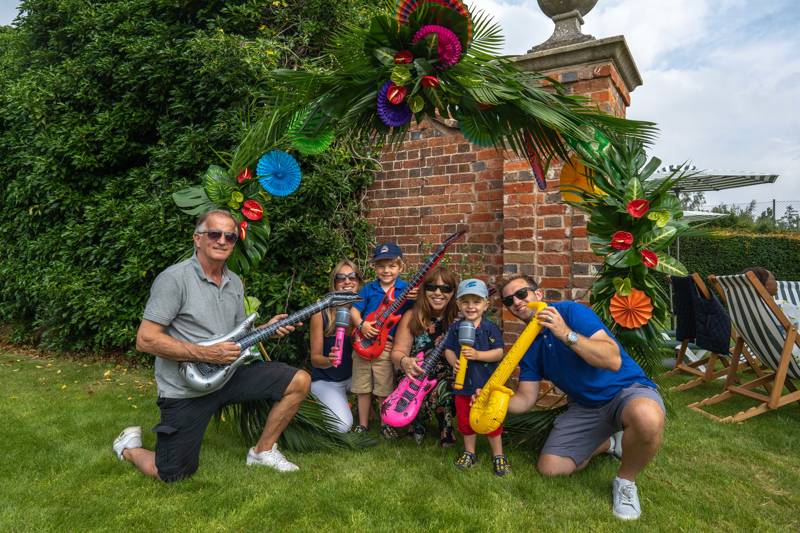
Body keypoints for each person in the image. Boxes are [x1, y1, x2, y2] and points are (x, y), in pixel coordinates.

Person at [112, 210, 311, 482]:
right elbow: (145, 339)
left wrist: (268, 330)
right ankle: (128, 448)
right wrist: (207, 354)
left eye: (230, 236)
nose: (222, 241)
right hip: (185, 388)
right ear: (197, 239)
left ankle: (262, 451)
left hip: (228, 375)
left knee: (299, 381)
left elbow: (239, 336)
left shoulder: (235, 282)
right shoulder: (174, 279)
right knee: (172, 473)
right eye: (214, 234)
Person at [496, 274, 665, 520]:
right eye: (509, 300)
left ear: (538, 295)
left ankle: (625, 481)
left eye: (522, 294)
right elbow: (526, 399)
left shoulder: (571, 312)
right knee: (551, 469)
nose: (517, 302)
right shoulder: (528, 345)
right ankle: (612, 443)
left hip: (626, 391)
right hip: (585, 407)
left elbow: (612, 359)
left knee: (647, 417)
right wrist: (495, 401)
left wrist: (565, 333)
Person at [351, 242, 417, 438]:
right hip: (362, 344)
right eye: (381, 266)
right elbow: (354, 310)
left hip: (385, 346)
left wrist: (419, 296)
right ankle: (362, 424)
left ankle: (384, 423)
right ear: (374, 267)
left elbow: (418, 311)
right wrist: (361, 324)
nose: (386, 270)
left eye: (391, 266)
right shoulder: (368, 289)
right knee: (362, 388)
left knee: (383, 389)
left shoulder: (406, 289)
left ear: (400, 267)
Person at [444, 279, 509, 476]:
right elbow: (448, 349)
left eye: (476, 301)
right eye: (465, 302)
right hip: (463, 385)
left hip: (486, 385)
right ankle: (469, 452)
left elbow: (499, 353)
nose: (471, 306)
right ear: (458, 304)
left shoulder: (490, 329)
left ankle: (498, 455)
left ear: (486, 304)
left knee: (491, 421)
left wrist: (479, 355)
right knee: (465, 421)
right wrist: (453, 361)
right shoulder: (456, 329)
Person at [390, 266, 459, 446]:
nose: (438, 293)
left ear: (453, 292)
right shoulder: (412, 315)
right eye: (432, 288)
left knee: (448, 384)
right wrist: (405, 361)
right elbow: (397, 352)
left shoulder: (458, 318)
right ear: (424, 290)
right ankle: (416, 423)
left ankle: (447, 426)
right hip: (415, 372)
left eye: (445, 289)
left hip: (446, 373)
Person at [309, 259, 361, 433]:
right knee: (342, 426)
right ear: (334, 283)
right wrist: (330, 360)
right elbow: (315, 359)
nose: (347, 281)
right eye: (341, 278)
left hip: (356, 378)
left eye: (352, 277)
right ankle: (316, 406)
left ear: (359, 282)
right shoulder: (320, 313)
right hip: (327, 379)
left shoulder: (364, 311)